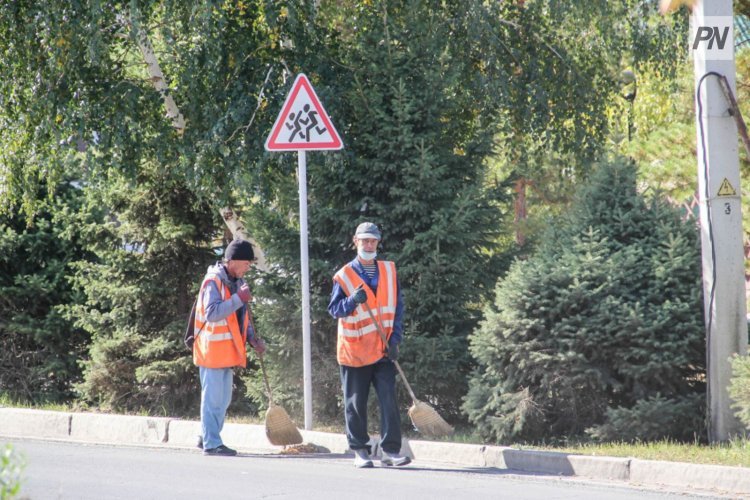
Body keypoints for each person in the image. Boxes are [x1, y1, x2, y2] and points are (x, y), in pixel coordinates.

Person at [327, 222, 411, 468]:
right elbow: (334, 310)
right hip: (354, 350)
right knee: (355, 402)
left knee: (389, 400)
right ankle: (360, 451)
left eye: (373, 241)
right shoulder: (344, 275)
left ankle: (391, 451)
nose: (369, 244)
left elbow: (398, 308)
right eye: (364, 240)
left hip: (383, 349)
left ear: (378, 242)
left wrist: (395, 340)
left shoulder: (388, 271)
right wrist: (352, 300)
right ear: (355, 241)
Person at [193, 239, 266, 456]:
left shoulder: (235, 280)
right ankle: (212, 444)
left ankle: (205, 436)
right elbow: (213, 313)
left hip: (226, 352)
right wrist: (238, 298)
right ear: (232, 261)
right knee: (214, 399)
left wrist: (252, 338)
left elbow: (239, 318)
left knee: (222, 400)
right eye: (247, 263)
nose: (249, 267)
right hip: (212, 351)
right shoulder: (213, 281)